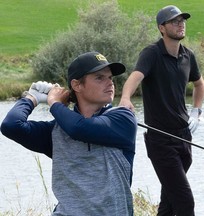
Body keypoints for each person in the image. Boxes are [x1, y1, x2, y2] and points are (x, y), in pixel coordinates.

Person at [1, 51, 137, 215]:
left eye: (110, 78)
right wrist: (31, 98)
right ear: (77, 85)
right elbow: (11, 126)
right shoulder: (57, 131)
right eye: (100, 78)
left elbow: (79, 128)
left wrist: (54, 103)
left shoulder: (123, 118)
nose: (110, 83)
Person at [119, 5, 204, 216]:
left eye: (182, 20)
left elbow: (199, 84)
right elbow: (135, 77)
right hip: (161, 140)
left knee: (168, 203)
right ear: (162, 28)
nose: (180, 24)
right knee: (185, 202)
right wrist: (125, 98)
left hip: (185, 138)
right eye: (174, 21)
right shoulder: (152, 53)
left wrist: (196, 111)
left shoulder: (188, 55)